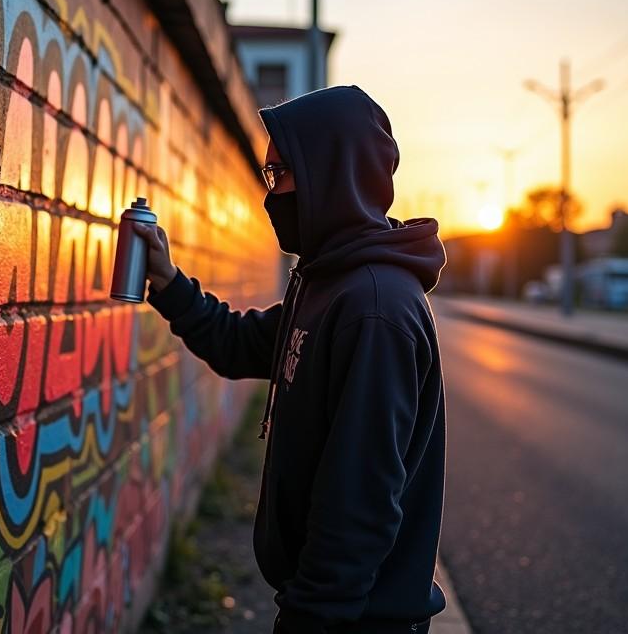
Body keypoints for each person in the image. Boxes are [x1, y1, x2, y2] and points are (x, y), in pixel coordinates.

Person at [134, 85, 448, 634]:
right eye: (269, 174)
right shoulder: (326, 282)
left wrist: (309, 620)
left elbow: (359, 505)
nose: (270, 193)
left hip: (357, 620)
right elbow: (239, 344)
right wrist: (166, 281)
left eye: (281, 173)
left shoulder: (374, 308)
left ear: (331, 171)